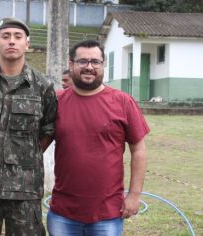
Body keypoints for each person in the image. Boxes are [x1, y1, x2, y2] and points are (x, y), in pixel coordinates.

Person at [0, 17, 57, 235]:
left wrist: (27, 152)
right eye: (5, 37)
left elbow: (49, 128)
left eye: (18, 37)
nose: (11, 41)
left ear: (27, 44)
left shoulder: (43, 87)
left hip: (25, 188)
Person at [46, 40, 150, 235]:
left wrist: (134, 195)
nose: (89, 67)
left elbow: (139, 150)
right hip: (63, 212)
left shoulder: (123, 102)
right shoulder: (55, 101)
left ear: (103, 65)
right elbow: (34, 145)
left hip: (108, 213)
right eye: (82, 61)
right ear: (71, 65)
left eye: (95, 62)